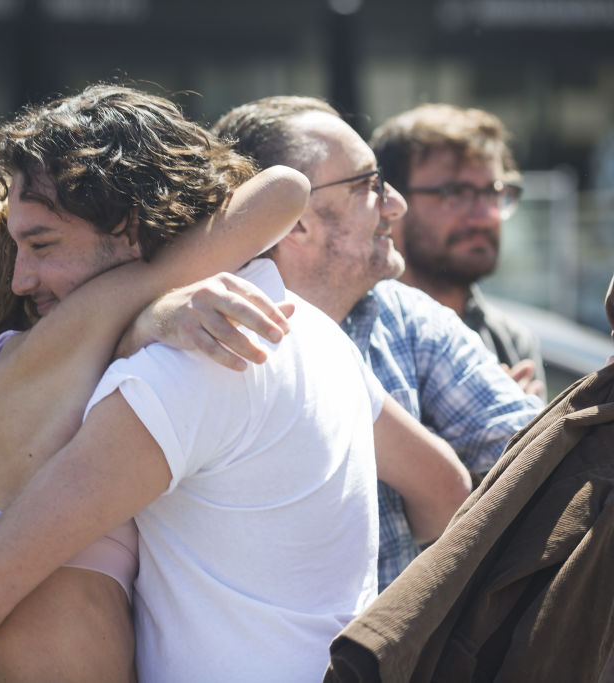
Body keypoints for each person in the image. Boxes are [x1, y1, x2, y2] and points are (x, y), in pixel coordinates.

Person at [0, 84, 474, 682]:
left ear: (131, 227)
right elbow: (448, 487)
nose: (20, 279)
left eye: (43, 245)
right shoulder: (317, 334)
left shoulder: (185, 367)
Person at [0, 87, 310, 681]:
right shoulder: (49, 358)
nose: (24, 279)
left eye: (40, 246)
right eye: (23, 249)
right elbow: (287, 189)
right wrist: (154, 306)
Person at [211, 95, 544, 590]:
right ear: (293, 217)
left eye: (493, 192)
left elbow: (546, 479)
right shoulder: (206, 335)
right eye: (369, 185)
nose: (395, 206)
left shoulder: (405, 317)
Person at [324, 271, 614, 683]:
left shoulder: (404, 316)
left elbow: (471, 492)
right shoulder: (246, 327)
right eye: (369, 198)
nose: (392, 206)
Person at [369, 103, 546, 397]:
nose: (484, 215)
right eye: (455, 193)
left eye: (493, 192)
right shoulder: (354, 332)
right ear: (391, 201)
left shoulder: (511, 342)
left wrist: (523, 434)